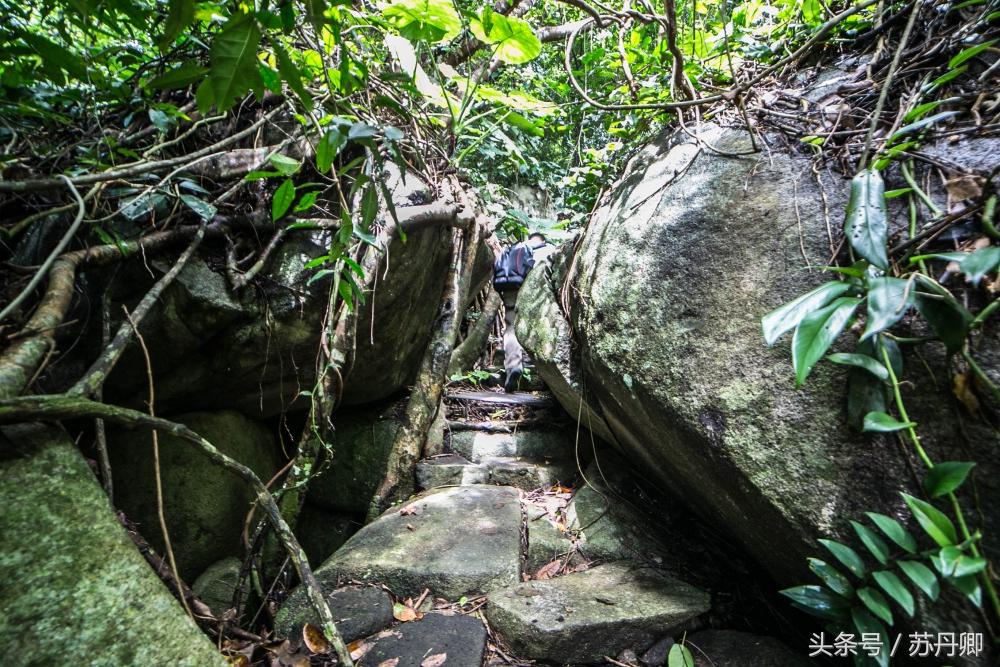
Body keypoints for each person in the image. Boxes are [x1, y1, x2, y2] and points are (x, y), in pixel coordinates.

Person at [493, 232, 554, 392]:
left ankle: (513, 366)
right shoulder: (546, 249)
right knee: (541, 327)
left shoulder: (513, 249)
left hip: (510, 290)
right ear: (543, 240)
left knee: (511, 328)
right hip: (533, 293)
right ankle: (545, 371)